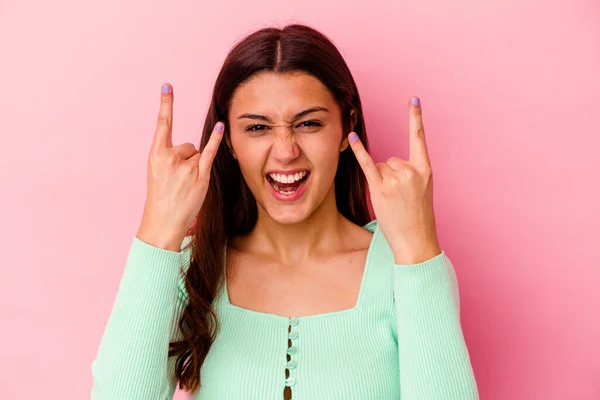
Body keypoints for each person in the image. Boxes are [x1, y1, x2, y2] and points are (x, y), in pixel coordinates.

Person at [90, 23, 479, 400]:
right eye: (258, 128)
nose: (285, 150)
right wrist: (159, 230)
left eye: (308, 123)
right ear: (228, 142)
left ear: (347, 129)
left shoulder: (405, 266)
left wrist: (418, 249)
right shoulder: (192, 269)